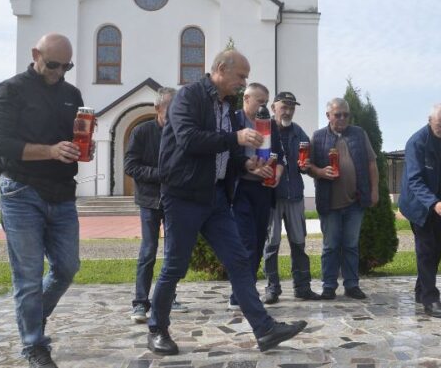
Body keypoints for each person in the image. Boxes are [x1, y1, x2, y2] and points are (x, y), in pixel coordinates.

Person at [148, 49, 306, 355]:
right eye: (241, 76)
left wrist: (243, 164)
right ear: (221, 68)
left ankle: (265, 330)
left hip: (215, 196)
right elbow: (189, 140)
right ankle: (157, 329)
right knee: (175, 266)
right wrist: (236, 140)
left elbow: (221, 152)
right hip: (183, 195)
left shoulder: (226, 104)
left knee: (239, 261)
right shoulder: (189, 97)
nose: (243, 82)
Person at [0, 33, 86, 367]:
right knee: (29, 275)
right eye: (53, 64)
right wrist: (50, 151)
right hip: (20, 191)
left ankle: (31, 317)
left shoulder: (71, 94)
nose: (59, 72)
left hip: (62, 192)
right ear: (36, 54)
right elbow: (1, 145)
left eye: (66, 66)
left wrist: (82, 142)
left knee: (67, 267)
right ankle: (34, 344)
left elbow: (74, 139)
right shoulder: (10, 90)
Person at [124, 87, 189, 323]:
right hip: (149, 200)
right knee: (148, 251)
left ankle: (169, 298)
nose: (174, 114)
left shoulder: (181, 132)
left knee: (173, 253)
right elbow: (130, 166)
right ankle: (140, 303)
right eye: (170, 109)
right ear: (157, 108)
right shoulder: (141, 132)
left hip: (175, 200)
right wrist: (160, 174)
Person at [308, 97, 378, 300]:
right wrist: (320, 172)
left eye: (345, 114)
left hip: (355, 202)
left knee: (351, 245)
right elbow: (307, 165)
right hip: (329, 203)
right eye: (337, 114)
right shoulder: (318, 137)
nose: (342, 118)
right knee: (330, 246)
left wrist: (375, 191)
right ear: (328, 115)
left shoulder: (359, 134)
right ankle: (329, 286)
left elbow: (372, 164)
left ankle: (351, 285)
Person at [398, 104, 441, 317]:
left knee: (437, 250)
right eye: (440, 126)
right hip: (418, 204)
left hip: (439, 204)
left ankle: (420, 290)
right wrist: (433, 203)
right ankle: (430, 300)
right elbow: (414, 180)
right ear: (429, 120)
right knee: (426, 250)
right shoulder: (416, 142)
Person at [227, 83, 284, 309]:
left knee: (259, 242)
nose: (264, 107)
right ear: (246, 98)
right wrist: (249, 168)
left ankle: (245, 292)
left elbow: (278, 155)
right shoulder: (233, 120)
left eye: (266, 102)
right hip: (240, 190)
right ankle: (239, 295)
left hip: (264, 190)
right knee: (245, 243)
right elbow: (228, 154)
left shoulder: (270, 124)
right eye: (260, 101)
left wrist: (277, 173)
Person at [261, 91, 320, 304]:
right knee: (271, 244)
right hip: (271, 197)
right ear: (273, 108)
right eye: (284, 106)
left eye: (292, 107)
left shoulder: (299, 133)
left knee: (299, 243)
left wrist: (305, 166)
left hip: (294, 195)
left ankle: (302, 287)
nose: (288, 111)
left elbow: (306, 164)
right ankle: (272, 288)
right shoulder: (264, 130)